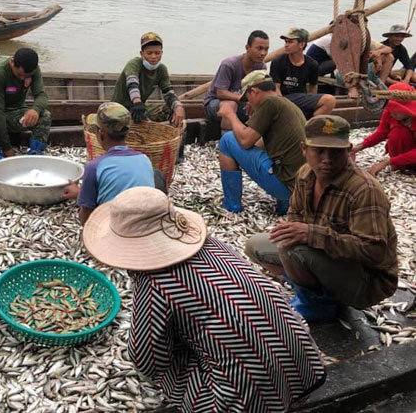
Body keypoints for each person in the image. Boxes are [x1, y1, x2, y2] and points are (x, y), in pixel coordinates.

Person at [83, 187, 326, 412]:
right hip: (306, 372)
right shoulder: (215, 245)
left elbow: (145, 358)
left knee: (166, 366)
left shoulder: (155, 282)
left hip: (252, 402)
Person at [245, 115, 398, 322]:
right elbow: (295, 216)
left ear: (348, 150)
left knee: (291, 250)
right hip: (327, 256)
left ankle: (319, 305)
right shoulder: (305, 174)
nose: (327, 159)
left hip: (367, 280)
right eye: (319, 151)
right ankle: (316, 289)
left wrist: (312, 234)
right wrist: (293, 230)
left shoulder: (364, 190)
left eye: (335, 152)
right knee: (254, 246)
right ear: (304, 149)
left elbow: (374, 251)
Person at [217, 70, 306, 215]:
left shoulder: (270, 103)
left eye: (247, 98)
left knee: (227, 140)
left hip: (284, 185)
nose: (248, 103)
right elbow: (261, 143)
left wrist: (230, 115)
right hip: (299, 187)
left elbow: (245, 141)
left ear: (254, 92)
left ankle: (231, 206)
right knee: (274, 152)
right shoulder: (288, 105)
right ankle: (285, 207)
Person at [62, 103, 158, 224]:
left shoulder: (94, 167)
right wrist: (80, 193)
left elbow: (85, 219)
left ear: (101, 134)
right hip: (145, 228)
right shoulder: (145, 159)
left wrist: (82, 197)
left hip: (115, 234)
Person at [0, 48, 51, 163]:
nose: (22, 78)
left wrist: (35, 110)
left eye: (26, 76)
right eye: (19, 74)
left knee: (45, 115)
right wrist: (7, 147)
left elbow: (42, 95)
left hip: (15, 112)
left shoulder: (34, 70)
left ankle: (35, 154)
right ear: (12, 62)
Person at [111, 32, 185, 128]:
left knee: (174, 110)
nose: (153, 57)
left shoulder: (162, 69)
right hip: (119, 107)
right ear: (142, 53)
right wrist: (137, 102)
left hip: (141, 106)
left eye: (157, 53)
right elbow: (132, 83)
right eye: (149, 53)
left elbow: (168, 93)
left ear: (161, 53)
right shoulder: (134, 64)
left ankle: (174, 137)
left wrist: (178, 106)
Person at [203, 30, 269, 130]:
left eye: (266, 49)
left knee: (265, 108)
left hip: (242, 105)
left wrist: (254, 102)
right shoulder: (229, 64)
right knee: (231, 105)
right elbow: (221, 93)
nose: (263, 53)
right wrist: (245, 99)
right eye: (259, 49)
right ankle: (228, 140)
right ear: (248, 48)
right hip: (215, 103)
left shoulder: (261, 67)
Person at [270, 28, 336, 119]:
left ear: (301, 44)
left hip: (301, 98)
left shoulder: (312, 64)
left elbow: (313, 87)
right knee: (329, 99)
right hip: (283, 98)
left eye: (290, 42)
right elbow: (276, 88)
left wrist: (312, 105)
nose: (286, 45)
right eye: (286, 42)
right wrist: (283, 107)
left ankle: (309, 125)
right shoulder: (278, 62)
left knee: (330, 101)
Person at [351, 82, 416, 174]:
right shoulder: (390, 112)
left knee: (400, 133)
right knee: (397, 133)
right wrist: (358, 147)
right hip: (403, 155)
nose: (393, 114)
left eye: (397, 111)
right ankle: (400, 167)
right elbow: (381, 133)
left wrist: (387, 162)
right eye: (391, 109)